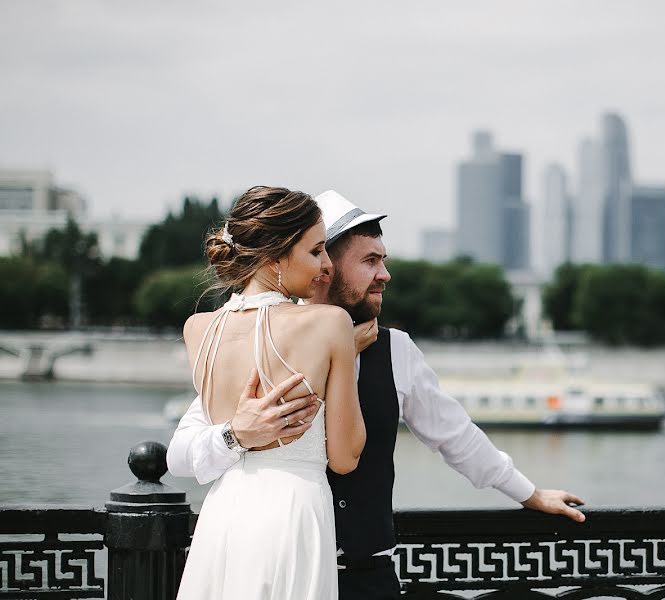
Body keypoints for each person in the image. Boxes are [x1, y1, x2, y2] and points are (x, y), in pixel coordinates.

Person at [168, 190, 585, 600]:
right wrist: (237, 435)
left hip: (368, 578)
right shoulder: (254, 341)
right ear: (324, 266)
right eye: (370, 261)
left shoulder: (397, 350)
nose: (384, 274)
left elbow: (455, 435)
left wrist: (529, 492)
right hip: (276, 562)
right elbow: (183, 453)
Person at [175, 186, 366, 600]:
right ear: (275, 256)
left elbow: (186, 445)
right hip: (292, 512)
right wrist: (347, 356)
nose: (327, 265)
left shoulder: (198, 330)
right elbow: (346, 455)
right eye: (316, 251)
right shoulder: (330, 324)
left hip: (224, 511)